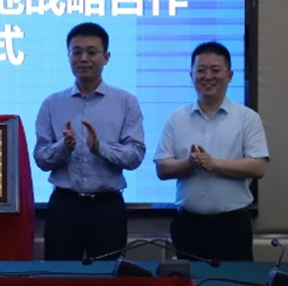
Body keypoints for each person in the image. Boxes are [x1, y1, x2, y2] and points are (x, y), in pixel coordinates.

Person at [34, 22, 146, 261]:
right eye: (76, 52)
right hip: (64, 206)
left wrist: (100, 148)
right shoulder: (52, 103)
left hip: (107, 207)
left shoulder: (126, 102)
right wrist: (63, 147)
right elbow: (41, 159)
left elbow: (135, 155)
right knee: (60, 276)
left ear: (106, 57)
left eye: (92, 52)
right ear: (68, 56)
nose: (83, 58)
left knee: (107, 277)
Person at [154, 41, 269, 262]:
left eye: (215, 70)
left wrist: (213, 164)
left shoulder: (247, 118)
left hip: (233, 226)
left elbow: (258, 167)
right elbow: (162, 168)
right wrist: (190, 163)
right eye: (200, 70)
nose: (208, 76)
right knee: (188, 282)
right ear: (191, 75)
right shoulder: (176, 118)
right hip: (188, 225)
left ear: (230, 75)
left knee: (234, 282)